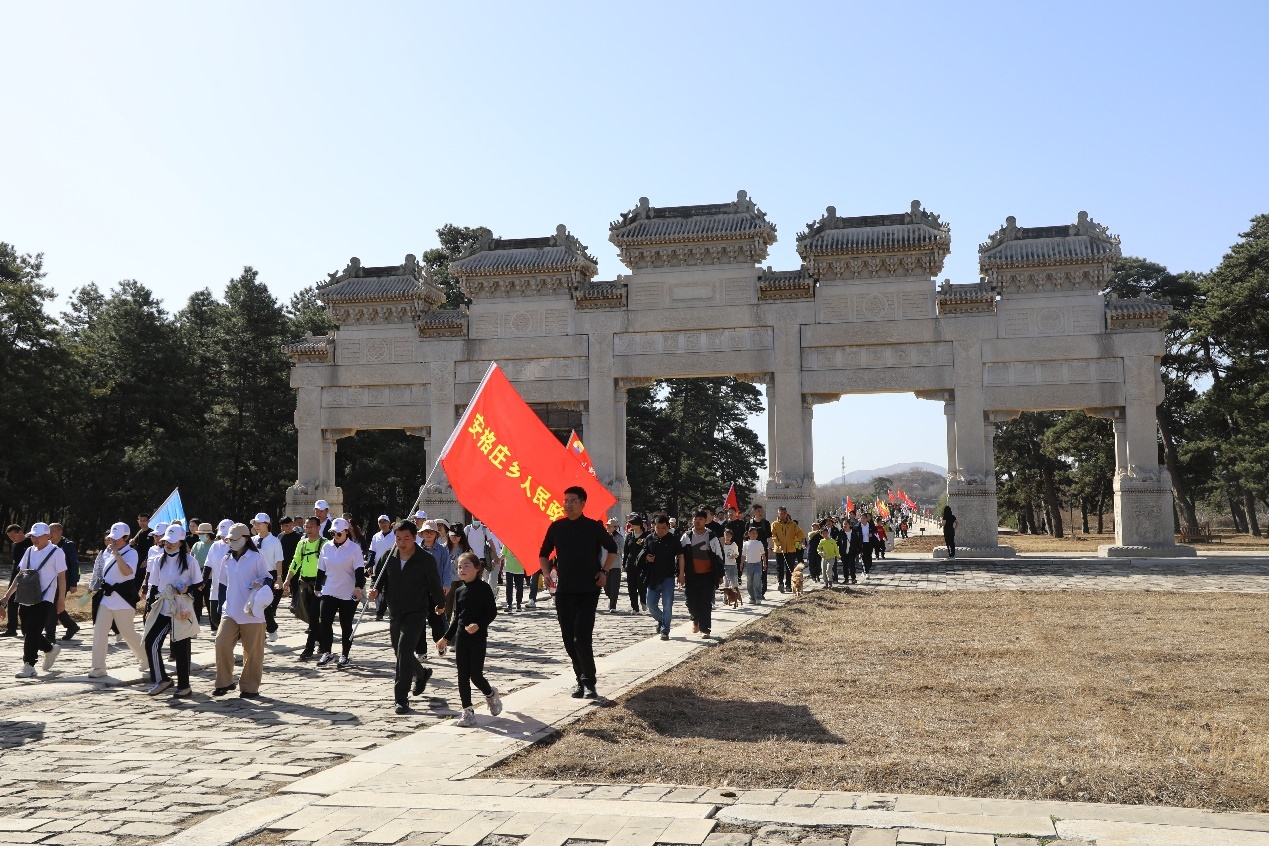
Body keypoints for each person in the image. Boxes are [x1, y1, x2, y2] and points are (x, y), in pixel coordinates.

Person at [538, 485, 618, 699]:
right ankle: (579, 679)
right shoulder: (557, 527)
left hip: (588, 589)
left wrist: (604, 571)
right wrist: (547, 573)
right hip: (564, 591)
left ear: (583, 504)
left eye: (573, 501)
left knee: (581, 637)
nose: (568, 504)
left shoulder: (593, 527)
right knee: (568, 638)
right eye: (566, 501)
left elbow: (612, 548)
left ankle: (589, 682)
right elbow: (544, 553)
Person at [369, 520, 444, 714]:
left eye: (406, 538)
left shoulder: (425, 560)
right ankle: (422, 673)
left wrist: (441, 604)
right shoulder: (388, 557)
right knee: (399, 651)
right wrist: (375, 590)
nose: (402, 543)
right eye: (398, 538)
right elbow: (379, 579)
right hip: (395, 613)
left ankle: (401, 698)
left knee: (403, 650)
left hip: (416, 612)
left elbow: (434, 585)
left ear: (415, 537)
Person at [437, 551, 502, 727]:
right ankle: (468, 712)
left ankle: (490, 694)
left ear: (477, 568)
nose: (462, 569)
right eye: (459, 566)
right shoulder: (459, 591)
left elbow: (492, 612)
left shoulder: (484, 588)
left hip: (478, 637)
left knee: (476, 675)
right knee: (462, 676)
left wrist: (479, 625)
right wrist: (445, 638)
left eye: (466, 566)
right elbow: (457, 618)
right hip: (461, 638)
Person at [213, 524, 273, 698]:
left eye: (234, 539)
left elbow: (268, 579)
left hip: (252, 612)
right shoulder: (226, 559)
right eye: (229, 539)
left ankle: (249, 687)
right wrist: (219, 604)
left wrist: (261, 583)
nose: (230, 542)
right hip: (230, 610)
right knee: (221, 643)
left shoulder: (256, 558)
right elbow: (223, 584)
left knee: (252, 652)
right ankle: (225, 682)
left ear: (246, 539)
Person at [2, 523, 68, 678]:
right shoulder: (29, 551)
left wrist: (61, 600)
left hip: (45, 598)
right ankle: (50, 649)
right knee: (26, 630)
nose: (35, 539)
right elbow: (20, 575)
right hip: (27, 597)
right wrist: (7, 595)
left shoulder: (56, 552)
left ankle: (29, 665)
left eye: (38, 536)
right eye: (32, 536)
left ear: (48, 535)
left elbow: (62, 577)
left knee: (32, 630)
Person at [143, 524, 201, 696]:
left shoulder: (190, 561)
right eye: (167, 541)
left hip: (180, 607)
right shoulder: (157, 560)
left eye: (173, 542)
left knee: (182, 646)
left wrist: (186, 589)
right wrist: (148, 608)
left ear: (181, 542)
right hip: (162, 606)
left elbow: (198, 584)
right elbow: (154, 585)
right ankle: (162, 679)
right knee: (151, 642)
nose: (168, 544)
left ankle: (184, 685)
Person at [88, 522, 148, 677]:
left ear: (126, 537)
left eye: (117, 538)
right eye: (111, 538)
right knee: (100, 631)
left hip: (123, 597)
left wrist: (116, 554)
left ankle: (146, 657)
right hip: (106, 597)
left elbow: (127, 572)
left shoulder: (131, 553)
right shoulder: (105, 552)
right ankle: (98, 666)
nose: (112, 541)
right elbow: (101, 573)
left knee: (127, 632)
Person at [315, 517, 365, 668]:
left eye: (338, 534)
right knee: (324, 622)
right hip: (329, 589)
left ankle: (345, 655)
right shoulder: (326, 547)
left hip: (347, 592)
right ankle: (328, 653)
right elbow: (321, 569)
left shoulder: (354, 549)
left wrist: (358, 587)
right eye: (333, 534)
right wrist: (317, 587)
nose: (335, 537)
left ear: (346, 532)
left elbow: (359, 571)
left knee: (346, 625)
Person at [281, 516, 326, 659]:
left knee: (314, 617)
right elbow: (296, 562)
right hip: (304, 584)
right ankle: (323, 641)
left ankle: (309, 648)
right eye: (306, 526)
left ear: (319, 527)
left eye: (311, 526)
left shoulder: (325, 544)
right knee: (306, 614)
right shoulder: (302, 543)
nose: (308, 529)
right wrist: (287, 579)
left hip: (319, 585)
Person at [679, 510, 724, 639]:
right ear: (692, 520)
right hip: (691, 575)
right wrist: (680, 574)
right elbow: (680, 556)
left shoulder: (711, 536)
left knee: (705, 603)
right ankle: (695, 619)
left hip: (708, 575)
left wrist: (720, 575)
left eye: (700, 519)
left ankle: (705, 629)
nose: (697, 521)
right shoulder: (687, 536)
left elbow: (719, 556)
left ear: (705, 521)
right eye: (695, 518)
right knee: (690, 602)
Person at [641, 515, 679, 640]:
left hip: (668, 576)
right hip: (653, 577)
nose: (661, 530)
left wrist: (681, 573)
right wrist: (647, 557)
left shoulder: (673, 539)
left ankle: (665, 630)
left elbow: (681, 556)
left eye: (663, 527)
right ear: (654, 527)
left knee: (667, 604)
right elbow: (643, 552)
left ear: (668, 527)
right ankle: (662, 620)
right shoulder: (649, 538)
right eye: (658, 527)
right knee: (651, 605)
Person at [42, 523, 81, 641]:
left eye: (53, 531)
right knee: (54, 607)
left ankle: (50, 635)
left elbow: (75, 565)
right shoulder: (47, 545)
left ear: (60, 532)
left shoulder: (68, 546)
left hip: (62, 582)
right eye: (49, 532)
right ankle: (71, 626)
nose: (50, 534)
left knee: (52, 608)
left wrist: (74, 583)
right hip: (48, 582)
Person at [252, 514, 285, 644]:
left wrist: (279, 578)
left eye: (259, 523)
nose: (257, 526)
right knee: (254, 604)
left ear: (267, 524)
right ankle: (262, 632)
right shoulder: (253, 540)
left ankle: (271, 629)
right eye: (255, 523)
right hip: (254, 575)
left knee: (264, 603)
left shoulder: (274, 541)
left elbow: (278, 560)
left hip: (269, 575)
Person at [205, 520, 233, 633]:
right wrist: (203, 580)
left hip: (232, 588)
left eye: (226, 534)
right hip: (216, 587)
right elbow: (208, 564)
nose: (223, 537)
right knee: (215, 618)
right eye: (222, 534)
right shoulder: (215, 546)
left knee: (229, 617)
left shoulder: (239, 547)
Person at [3, 525, 31, 637]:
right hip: (15, 576)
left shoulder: (30, 544)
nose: (11, 539)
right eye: (9, 537)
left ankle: (28, 628)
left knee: (26, 604)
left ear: (19, 532)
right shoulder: (15, 546)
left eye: (12, 535)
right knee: (11, 602)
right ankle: (11, 628)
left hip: (29, 578)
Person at [770, 507, 806, 594]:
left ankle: (788, 585)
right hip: (779, 550)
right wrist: (778, 545)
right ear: (778, 514)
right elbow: (774, 536)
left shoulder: (792, 524)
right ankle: (780, 583)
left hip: (790, 549)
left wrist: (802, 539)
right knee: (780, 568)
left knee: (789, 568)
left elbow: (799, 532)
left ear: (786, 513)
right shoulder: (775, 524)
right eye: (781, 513)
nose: (782, 515)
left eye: (784, 513)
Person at [368, 515, 395, 621]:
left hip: (391, 566)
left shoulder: (394, 535)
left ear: (389, 523)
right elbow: (372, 551)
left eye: (385, 522)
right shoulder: (376, 536)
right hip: (378, 566)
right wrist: (370, 565)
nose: (383, 524)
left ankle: (381, 611)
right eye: (380, 522)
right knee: (375, 588)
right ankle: (378, 610)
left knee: (387, 590)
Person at [621, 515, 647, 613]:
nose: (631, 525)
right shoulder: (629, 536)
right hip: (631, 564)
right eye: (630, 523)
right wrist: (624, 565)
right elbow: (626, 551)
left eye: (633, 524)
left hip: (642, 564)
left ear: (639, 524)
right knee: (631, 587)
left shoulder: (646, 536)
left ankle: (643, 601)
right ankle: (635, 608)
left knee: (641, 585)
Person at [747, 504, 772, 596]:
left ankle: (762, 592)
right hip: (752, 551)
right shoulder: (749, 523)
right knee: (752, 572)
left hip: (763, 550)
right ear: (753, 512)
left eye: (761, 511)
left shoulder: (765, 523)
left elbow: (769, 537)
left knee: (764, 569)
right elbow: (745, 538)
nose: (760, 513)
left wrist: (770, 548)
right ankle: (753, 593)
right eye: (758, 511)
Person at [603, 518, 624, 613]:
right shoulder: (604, 536)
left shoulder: (619, 538)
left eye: (610, 526)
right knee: (606, 587)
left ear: (615, 527)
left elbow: (620, 550)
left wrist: (614, 543)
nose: (608, 527)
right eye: (607, 525)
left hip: (615, 564)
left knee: (615, 586)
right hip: (605, 564)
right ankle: (611, 598)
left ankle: (613, 605)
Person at [742, 526, 766, 605]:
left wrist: (764, 564)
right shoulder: (746, 544)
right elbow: (743, 555)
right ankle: (752, 597)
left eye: (756, 533)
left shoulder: (759, 543)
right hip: (749, 564)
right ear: (749, 534)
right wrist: (741, 564)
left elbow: (763, 554)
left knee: (757, 579)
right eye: (752, 533)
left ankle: (758, 597)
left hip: (757, 564)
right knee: (750, 582)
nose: (754, 535)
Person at [502, 546, 526, 612]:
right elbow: (503, 554)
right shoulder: (507, 542)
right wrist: (497, 561)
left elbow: (526, 554)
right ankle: (509, 604)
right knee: (509, 586)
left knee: (519, 587)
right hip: (509, 568)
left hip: (519, 568)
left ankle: (518, 604)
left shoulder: (522, 543)